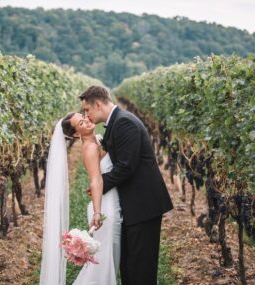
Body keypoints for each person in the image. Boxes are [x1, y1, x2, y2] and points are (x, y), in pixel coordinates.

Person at [79, 85, 173, 285]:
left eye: (87, 109)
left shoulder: (124, 123)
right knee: (130, 265)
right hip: (134, 204)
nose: (85, 114)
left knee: (141, 267)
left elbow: (125, 167)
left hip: (144, 205)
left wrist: (100, 187)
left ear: (97, 104)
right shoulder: (117, 122)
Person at [39, 111, 122, 285]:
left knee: (109, 258)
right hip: (104, 206)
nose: (87, 121)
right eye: (82, 123)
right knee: (104, 261)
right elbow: (95, 180)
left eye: (84, 117)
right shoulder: (90, 148)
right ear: (77, 133)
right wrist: (98, 212)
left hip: (110, 201)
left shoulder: (96, 141)